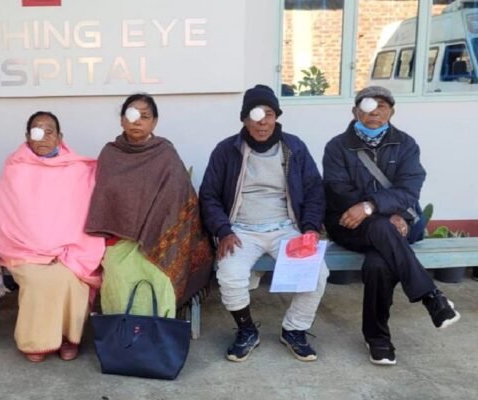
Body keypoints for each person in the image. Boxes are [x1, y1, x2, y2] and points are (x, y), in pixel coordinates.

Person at [322, 86, 460, 366]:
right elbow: (338, 190)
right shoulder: (337, 146)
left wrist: (374, 207)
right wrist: (379, 211)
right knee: (381, 229)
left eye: (382, 106)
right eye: (368, 106)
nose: (374, 112)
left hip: (395, 225)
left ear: (391, 112)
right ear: (355, 111)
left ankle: (377, 339)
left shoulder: (406, 144)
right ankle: (431, 297)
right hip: (349, 224)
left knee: (378, 264)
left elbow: (409, 189)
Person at [199, 84, 329, 362]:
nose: (262, 122)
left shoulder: (294, 147)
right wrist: (223, 230)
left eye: (268, 114)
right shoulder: (226, 150)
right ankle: (247, 330)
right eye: (255, 115)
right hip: (240, 230)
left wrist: (309, 228)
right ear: (245, 119)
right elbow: (208, 195)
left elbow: (314, 190)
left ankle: (294, 329)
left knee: (317, 274)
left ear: (276, 117)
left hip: (286, 228)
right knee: (230, 275)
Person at [85, 93, 214, 319]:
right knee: (117, 275)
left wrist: (154, 231)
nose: (137, 122)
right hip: (119, 240)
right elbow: (105, 201)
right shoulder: (110, 154)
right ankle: (122, 333)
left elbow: (179, 199)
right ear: (122, 120)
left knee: (160, 276)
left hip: (161, 239)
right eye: (131, 115)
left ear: (154, 122)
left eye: (144, 116)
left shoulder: (165, 153)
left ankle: (157, 333)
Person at [0, 111, 104, 363]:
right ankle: (37, 341)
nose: (42, 137)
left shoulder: (78, 169)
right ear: (27, 137)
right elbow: (9, 216)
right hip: (25, 251)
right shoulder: (16, 168)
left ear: (60, 137)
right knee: (39, 280)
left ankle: (68, 338)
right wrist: (41, 250)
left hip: (69, 250)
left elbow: (83, 215)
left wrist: (60, 250)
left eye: (49, 132)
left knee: (71, 278)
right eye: (36, 131)